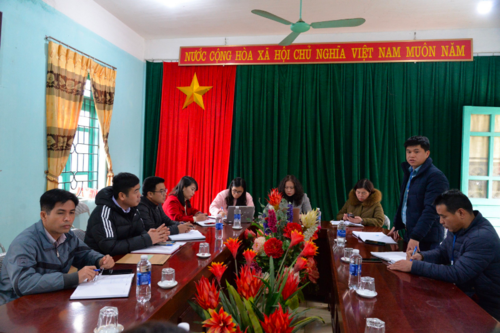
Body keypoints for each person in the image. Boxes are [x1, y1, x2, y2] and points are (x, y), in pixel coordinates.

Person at [388, 190, 500, 321]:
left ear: (461, 213)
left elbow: (457, 274)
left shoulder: (482, 237)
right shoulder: (458, 228)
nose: (441, 221)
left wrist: (414, 266)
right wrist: (422, 256)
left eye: (444, 216)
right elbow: (443, 253)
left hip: (485, 306)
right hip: (464, 295)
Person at [0, 189, 115, 305]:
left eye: (71, 212)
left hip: (50, 299)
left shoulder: (68, 235)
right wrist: (73, 278)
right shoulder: (25, 243)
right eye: (61, 213)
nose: (68, 218)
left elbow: (84, 254)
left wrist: (100, 260)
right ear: (44, 215)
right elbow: (23, 283)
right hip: (16, 307)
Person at [388, 136, 449, 252]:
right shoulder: (410, 172)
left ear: (427, 153)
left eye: (416, 152)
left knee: (420, 269)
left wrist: (416, 236)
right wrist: (397, 224)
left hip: (426, 239)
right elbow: (405, 202)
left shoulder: (435, 177)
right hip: (410, 234)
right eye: (408, 152)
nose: (411, 155)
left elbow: (431, 210)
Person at [85, 173, 169, 256]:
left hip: (126, 257)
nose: (139, 195)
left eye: (139, 190)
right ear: (122, 196)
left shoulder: (133, 209)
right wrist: (147, 239)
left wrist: (154, 236)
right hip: (100, 265)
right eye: (136, 192)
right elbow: (110, 247)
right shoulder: (104, 213)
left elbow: (139, 233)